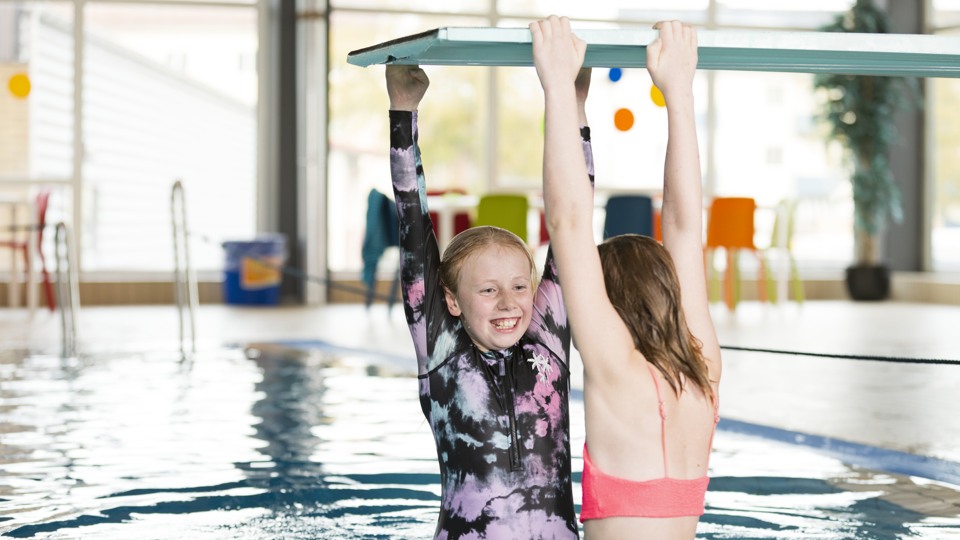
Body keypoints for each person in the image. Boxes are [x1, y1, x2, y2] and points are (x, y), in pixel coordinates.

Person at [531, 16, 722, 540]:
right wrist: (678, 91)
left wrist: (556, 90)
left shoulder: (618, 369)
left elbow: (569, 221)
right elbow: (684, 229)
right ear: (670, 290)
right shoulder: (702, 370)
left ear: (611, 303)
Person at [386, 63, 595, 539]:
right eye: (487, 289)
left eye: (520, 286)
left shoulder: (547, 341)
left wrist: (574, 110)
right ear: (452, 302)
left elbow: (574, 222)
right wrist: (403, 112)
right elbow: (413, 232)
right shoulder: (443, 352)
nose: (508, 303)